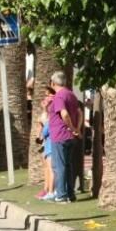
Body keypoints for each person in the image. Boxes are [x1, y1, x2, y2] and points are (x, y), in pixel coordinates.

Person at [49, 71, 82, 203]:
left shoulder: (59, 96)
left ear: (53, 83)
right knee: (68, 165)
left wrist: (72, 128)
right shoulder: (71, 95)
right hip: (69, 136)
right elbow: (79, 113)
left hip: (60, 135)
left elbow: (64, 113)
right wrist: (77, 129)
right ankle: (70, 193)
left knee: (60, 165)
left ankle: (61, 194)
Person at [36, 88, 56, 200]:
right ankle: (46, 189)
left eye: (48, 94)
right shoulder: (45, 114)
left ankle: (50, 190)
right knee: (47, 167)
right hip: (46, 143)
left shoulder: (50, 116)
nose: (46, 98)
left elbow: (45, 129)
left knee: (50, 168)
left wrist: (41, 134)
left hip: (49, 144)